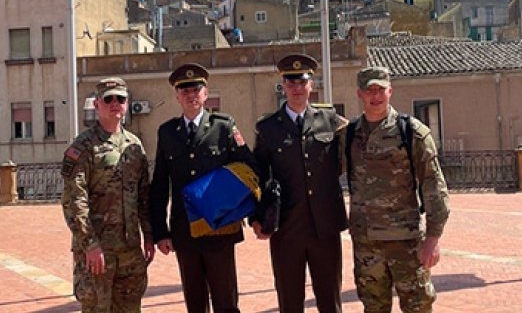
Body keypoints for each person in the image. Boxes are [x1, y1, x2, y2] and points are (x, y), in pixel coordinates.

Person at [149, 62, 255, 313]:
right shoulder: (167, 133)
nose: (190, 94)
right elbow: (160, 185)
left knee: (226, 302)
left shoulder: (224, 126)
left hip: (220, 228)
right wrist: (160, 232)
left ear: (206, 94)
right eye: (184, 90)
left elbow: (249, 167)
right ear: (177, 96)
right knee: (195, 303)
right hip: (184, 230)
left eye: (196, 89)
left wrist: (230, 202)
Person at [344, 66, 450, 313]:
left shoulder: (412, 132)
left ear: (390, 91)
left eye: (380, 89)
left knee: (418, 307)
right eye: (369, 90)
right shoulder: (349, 135)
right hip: (366, 244)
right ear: (360, 94)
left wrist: (433, 238)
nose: (375, 95)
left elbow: (434, 186)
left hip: (406, 242)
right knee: (373, 308)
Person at [251, 53, 348, 313]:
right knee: (289, 300)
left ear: (311, 85)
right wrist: (257, 218)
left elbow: (345, 162)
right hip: (286, 229)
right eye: (290, 83)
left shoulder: (331, 121)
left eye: (302, 82)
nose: (296, 88)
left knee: (330, 300)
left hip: (324, 227)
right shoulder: (268, 128)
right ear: (283, 86)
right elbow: (258, 175)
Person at [61, 77, 154, 312]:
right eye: (108, 99)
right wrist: (90, 244)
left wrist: (149, 236)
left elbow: (143, 198)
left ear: (126, 103)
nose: (115, 103)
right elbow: (74, 202)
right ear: (97, 105)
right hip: (98, 252)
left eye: (120, 99)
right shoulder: (83, 147)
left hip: (130, 251)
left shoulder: (134, 146)